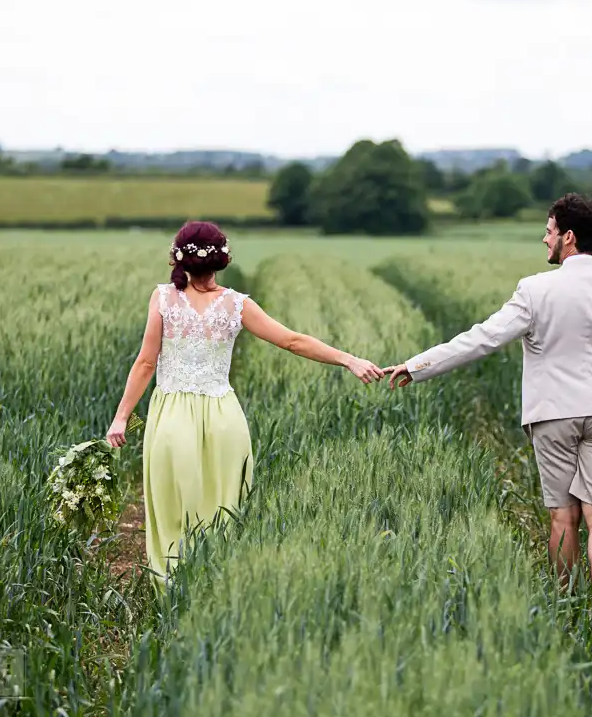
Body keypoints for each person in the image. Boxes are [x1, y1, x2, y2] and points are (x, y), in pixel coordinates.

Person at [382, 193, 592, 622]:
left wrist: (417, 365)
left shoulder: (535, 290)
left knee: (562, 517)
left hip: (553, 414)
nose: (545, 239)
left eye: (549, 230)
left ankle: (569, 606)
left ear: (569, 237)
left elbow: (482, 338)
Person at [106, 221, 384, 585]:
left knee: (174, 505)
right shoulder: (237, 304)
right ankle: (215, 589)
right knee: (222, 508)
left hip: (172, 415)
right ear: (222, 259)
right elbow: (293, 341)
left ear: (179, 257)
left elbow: (145, 362)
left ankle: (172, 591)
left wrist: (121, 417)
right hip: (224, 418)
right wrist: (349, 359)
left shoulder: (163, 298)